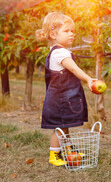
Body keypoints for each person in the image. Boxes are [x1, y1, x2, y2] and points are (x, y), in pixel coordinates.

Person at [36, 12, 96, 166]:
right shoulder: (59, 53)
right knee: (58, 128)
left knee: (64, 126)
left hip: (63, 98)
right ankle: (54, 155)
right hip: (60, 100)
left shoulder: (60, 51)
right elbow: (75, 69)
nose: (71, 34)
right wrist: (89, 79)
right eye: (67, 31)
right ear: (53, 34)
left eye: (72, 31)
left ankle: (67, 151)